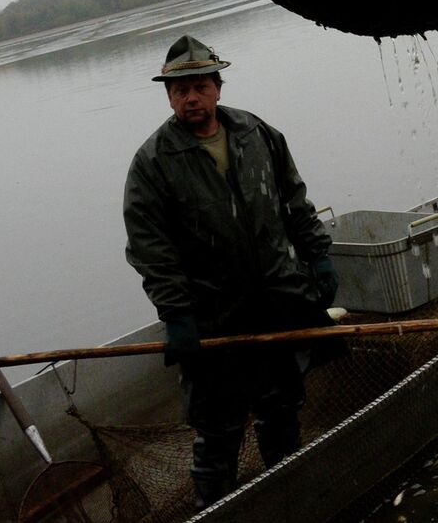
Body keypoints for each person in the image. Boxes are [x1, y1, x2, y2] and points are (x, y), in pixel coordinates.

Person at [122, 34, 340, 507]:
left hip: (276, 304)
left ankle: (290, 497)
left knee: (282, 411)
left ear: (218, 88)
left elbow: (294, 202)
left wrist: (318, 257)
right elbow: (150, 249)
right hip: (213, 318)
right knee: (218, 430)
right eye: (180, 90)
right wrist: (177, 315)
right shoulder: (153, 163)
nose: (191, 97)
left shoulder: (256, 133)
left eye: (199, 85)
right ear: (169, 96)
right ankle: (214, 510)